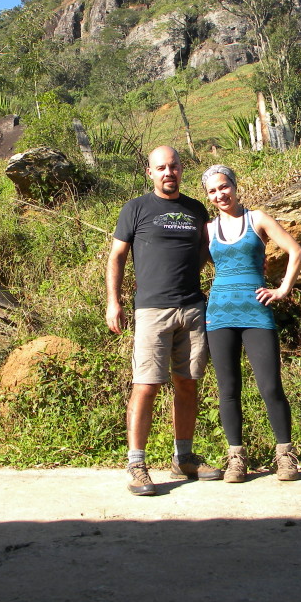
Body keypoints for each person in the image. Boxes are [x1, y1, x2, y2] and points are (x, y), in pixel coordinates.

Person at [106, 146, 221, 496]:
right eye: (161, 168)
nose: (168, 172)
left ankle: (183, 458)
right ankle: (136, 464)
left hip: (191, 308)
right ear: (150, 172)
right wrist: (114, 302)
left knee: (187, 383)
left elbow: (206, 248)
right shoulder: (136, 208)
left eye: (173, 166)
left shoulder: (196, 209)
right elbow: (117, 257)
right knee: (146, 385)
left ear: (181, 170)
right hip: (152, 311)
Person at [200, 164, 301, 482]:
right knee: (228, 390)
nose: (220, 194)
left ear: (234, 185)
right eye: (213, 191)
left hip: (256, 312)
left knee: (270, 386)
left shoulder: (256, 218)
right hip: (218, 315)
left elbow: (295, 250)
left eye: (223, 187)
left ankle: (285, 457)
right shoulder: (207, 230)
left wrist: (283, 288)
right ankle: (236, 460)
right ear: (208, 196)